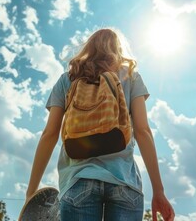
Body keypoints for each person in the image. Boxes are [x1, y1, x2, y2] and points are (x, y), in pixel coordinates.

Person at [24, 28, 175, 221]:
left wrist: (31, 193)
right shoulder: (131, 76)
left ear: (88, 48)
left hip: (78, 180)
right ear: (118, 49)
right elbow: (143, 131)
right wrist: (158, 191)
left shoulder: (68, 79)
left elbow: (49, 134)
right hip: (125, 183)